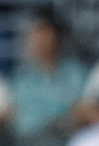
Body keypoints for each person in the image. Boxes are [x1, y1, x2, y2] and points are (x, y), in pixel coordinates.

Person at [10, 8, 87, 137]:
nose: (40, 40)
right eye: (36, 34)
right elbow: (18, 119)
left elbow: (82, 112)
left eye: (45, 34)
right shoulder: (21, 78)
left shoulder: (76, 73)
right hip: (29, 142)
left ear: (58, 37)